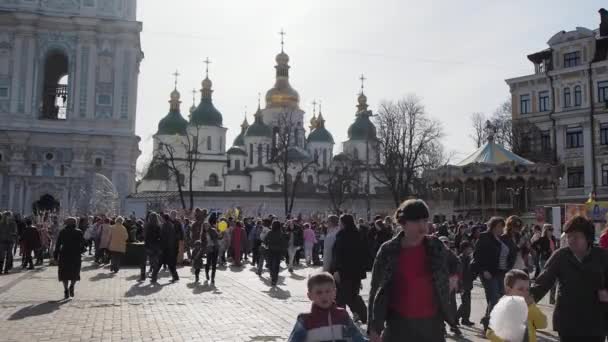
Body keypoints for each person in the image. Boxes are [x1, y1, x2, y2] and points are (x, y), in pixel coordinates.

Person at [368, 199, 458, 342]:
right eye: (417, 221)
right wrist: (374, 328)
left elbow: (455, 263)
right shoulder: (388, 250)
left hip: (432, 324)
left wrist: (454, 277)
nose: (423, 226)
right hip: (399, 324)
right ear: (403, 223)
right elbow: (376, 288)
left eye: (425, 220)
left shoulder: (436, 245)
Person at [531, 215, 608, 341]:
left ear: (588, 238)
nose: (571, 240)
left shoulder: (602, 257)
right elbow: (542, 283)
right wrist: (523, 301)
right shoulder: (560, 256)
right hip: (568, 320)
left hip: (596, 321)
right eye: (569, 236)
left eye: (576, 236)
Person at [287, 272, 368, 342]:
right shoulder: (305, 320)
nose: (324, 296)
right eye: (319, 292)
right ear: (310, 296)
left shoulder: (342, 315)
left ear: (335, 292)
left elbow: (357, 338)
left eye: (328, 291)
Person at [472, 216, 513, 332]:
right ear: (493, 226)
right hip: (489, 273)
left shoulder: (503, 239)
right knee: (494, 298)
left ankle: (487, 321)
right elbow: (477, 255)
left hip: (501, 272)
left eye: (502, 226)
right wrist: (484, 270)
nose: (501, 229)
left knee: (499, 298)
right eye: (499, 226)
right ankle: (489, 326)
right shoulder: (484, 237)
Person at [487, 269, 547, 342]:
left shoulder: (529, 306)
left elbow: (542, 324)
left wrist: (532, 307)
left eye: (527, 289)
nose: (525, 293)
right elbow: (490, 333)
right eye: (520, 289)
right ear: (508, 290)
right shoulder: (502, 307)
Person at [332, 214, 368, 324]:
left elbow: (337, 253)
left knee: (343, 296)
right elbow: (364, 254)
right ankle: (361, 315)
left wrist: (336, 269)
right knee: (352, 294)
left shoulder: (341, 235)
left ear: (344, 223)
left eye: (340, 223)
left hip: (344, 271)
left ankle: (343, 317)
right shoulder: (358, 234)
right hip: (356, 272)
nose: (339, 225)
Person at [54, 217, 86, 299]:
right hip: (75, 255)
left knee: (64, 274)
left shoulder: (62, 232)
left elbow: (58, 244)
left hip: (64, 255)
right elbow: (83, 244)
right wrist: (82, 251)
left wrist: (55, 255)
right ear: (75, 223)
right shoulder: (79, 232)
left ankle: (65, 290)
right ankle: (72, 286)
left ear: (66, 223)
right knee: (75, 273)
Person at [456, 241, 475, 326]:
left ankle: (465, 319)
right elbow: (460, 273)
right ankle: (455, 318)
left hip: (468, 283)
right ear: (464, 249)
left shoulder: (468, 258)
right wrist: (460, 285)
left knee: (468, 302)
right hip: (463, 284)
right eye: (469, 248)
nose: (470, 249)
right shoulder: (461, 258)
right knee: (465, 303)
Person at [264, 220, 287, 286]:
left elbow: (265, 241)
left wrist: (267, 244)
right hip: (278, 252)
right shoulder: (281, 234)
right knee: (276, 266)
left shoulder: (270, 233)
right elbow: (284, 244)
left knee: (270, 264)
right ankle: (274, 279)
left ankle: (272, 275)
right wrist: (283, 253)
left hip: (270, 251)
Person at [160, 213, 180, 282]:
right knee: (171, 263)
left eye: (162, 218)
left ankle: (175, 277)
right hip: (172, 247)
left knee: (170, 264)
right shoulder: (171, 225)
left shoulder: (165, 225)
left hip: (168, 247)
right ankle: (176, 276)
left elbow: (163, 237)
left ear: (164, 219)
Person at [144, 213, 162, 283]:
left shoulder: (148, 226)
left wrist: (146, 246)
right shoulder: (158, 226)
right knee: (155, 262)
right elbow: (161, 237)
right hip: (157, 246)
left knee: (152, 262)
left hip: (150, 246)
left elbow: (146, 237)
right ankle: (154, 275)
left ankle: (154, 275)